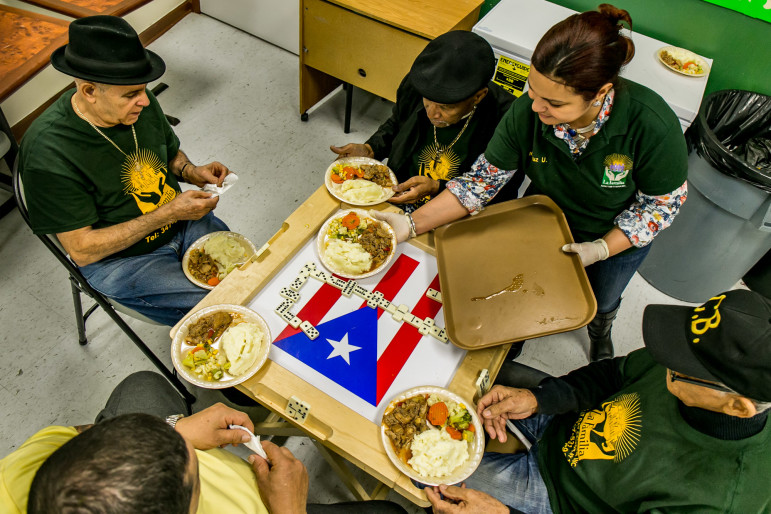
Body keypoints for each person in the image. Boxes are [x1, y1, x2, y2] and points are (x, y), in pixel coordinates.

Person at [373, 5, 688, 361]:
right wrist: (410, 224)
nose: (536, 108)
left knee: (602, 295)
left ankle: (601, 328)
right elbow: (478, 184)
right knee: (528, 292)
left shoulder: (651, 125)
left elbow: (660, 206)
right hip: (544, 220)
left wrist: (601, 248)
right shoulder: (527, 112)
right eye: (532, 91)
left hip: (617, 231)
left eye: (554, 103)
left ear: (600, 93)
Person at [427, 289, 771, 513]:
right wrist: (538, 399)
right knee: (445, 379)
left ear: (739, 406)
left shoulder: (719, 501)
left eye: (678, 368)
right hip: (563, 425)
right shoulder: (692, 357)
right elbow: (611, 376)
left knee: (427, 478)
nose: (665, 362)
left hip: (559, 501)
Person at [18, 16, 232, 326]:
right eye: (131, 94)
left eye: (143, 90)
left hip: (179, 222)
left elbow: (169, 153)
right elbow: (82, 250)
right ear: (90, 90)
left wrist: (190, 170)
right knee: (224, 305)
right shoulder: (47, 152)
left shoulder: (138, 103)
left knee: (245, 275)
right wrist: (169, 213)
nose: (145, 101)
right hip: (122, 261)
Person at [0, 371, 408, 514]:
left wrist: (176, 432)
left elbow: (78, 434)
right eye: (195, 472)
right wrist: (289, 508)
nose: (200, 453)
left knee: (140, 385)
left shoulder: (17, 474)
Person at [331, 30, 516, 212]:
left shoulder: (507, 121)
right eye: (428, 102)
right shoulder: (419, 85)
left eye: (446, 107)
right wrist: (371, 149)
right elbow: (398, 123)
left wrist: (438, 186)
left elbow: (501, 192)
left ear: (478, 97)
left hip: (453, 215)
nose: (433, 114)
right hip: (397, 195)